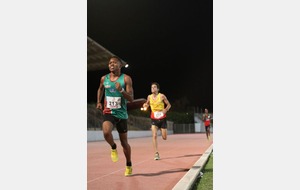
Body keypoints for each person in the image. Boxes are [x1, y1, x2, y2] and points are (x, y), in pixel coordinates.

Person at [96, 56, 134, 176]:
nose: (111, 64)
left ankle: (128, 164)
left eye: (114, 62)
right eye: (110, 63)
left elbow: (131, 99)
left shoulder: (126, 79)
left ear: (120, 65)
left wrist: (121, 90)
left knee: (124, 143)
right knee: (106, 132)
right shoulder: (104, 78)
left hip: (122, 114)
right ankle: (113, 146)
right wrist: (98, 101)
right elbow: (100, 89)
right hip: (109, 112)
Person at [142, 82, 171, 160]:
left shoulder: (162, 96)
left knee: (164, 137)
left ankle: (162, 131)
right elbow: (147, 104)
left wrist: (165, 110)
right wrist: (145, 105)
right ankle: (156, 153)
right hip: (154, 118)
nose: (153, 88)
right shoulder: (149, 97)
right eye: (152, 87)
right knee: (154, 135)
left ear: (158, 89)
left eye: (154, 87)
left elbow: (169, 105)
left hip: (162, 118)